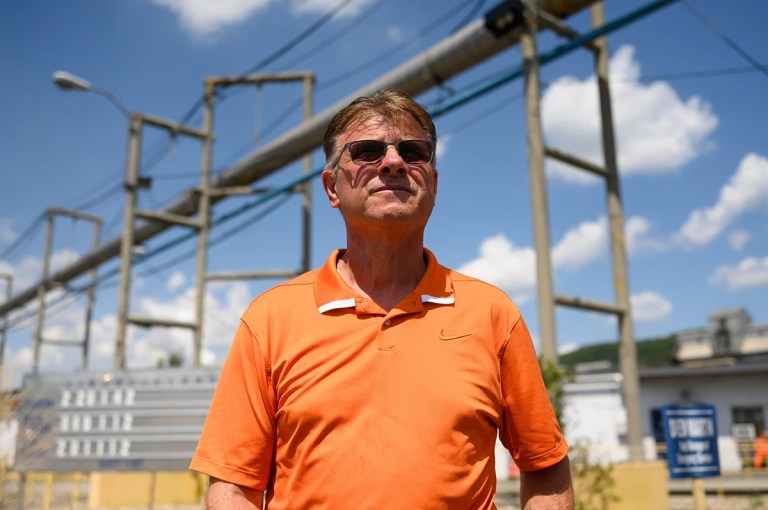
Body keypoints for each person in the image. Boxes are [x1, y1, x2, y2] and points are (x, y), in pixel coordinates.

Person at [190, 89, 574, 509]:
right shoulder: (270, 319)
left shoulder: (493, 314)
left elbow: (544, 464)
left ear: (433, 183)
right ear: (331, 187)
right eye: (367, 151)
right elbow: (232, 486)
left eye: (413, 152)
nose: (392, 162)